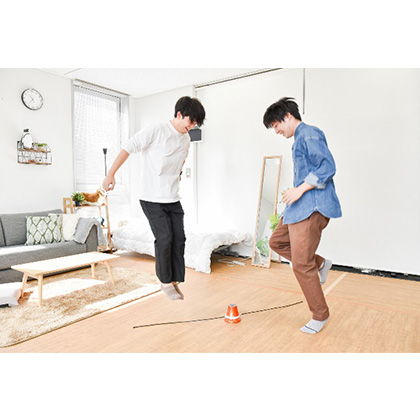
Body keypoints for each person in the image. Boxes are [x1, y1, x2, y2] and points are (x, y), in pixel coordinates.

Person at [102, 96, 206, 300]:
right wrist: (110, 174)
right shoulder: (157, 130)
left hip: (172, 197)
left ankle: (175, 280)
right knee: (165, 238)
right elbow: (128, 147)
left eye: (195, 124)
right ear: (179, 114)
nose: (192, 126)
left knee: (179, 238)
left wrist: (177, 174)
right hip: (151, 197)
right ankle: (165, 282)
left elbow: (181, 160)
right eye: (191, 121)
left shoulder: (186, 139)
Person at [263, 97, 342, 334]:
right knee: (276, 242)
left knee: (300, 264)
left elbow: (327, 167)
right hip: (298, 208)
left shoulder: (309, 133)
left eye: (276, 125)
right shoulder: (298, 139)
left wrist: (299, 190)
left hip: (311, 207)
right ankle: (321, 263)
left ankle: (320, 315)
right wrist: (294, 192)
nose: (276, 131)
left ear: (287, 116)